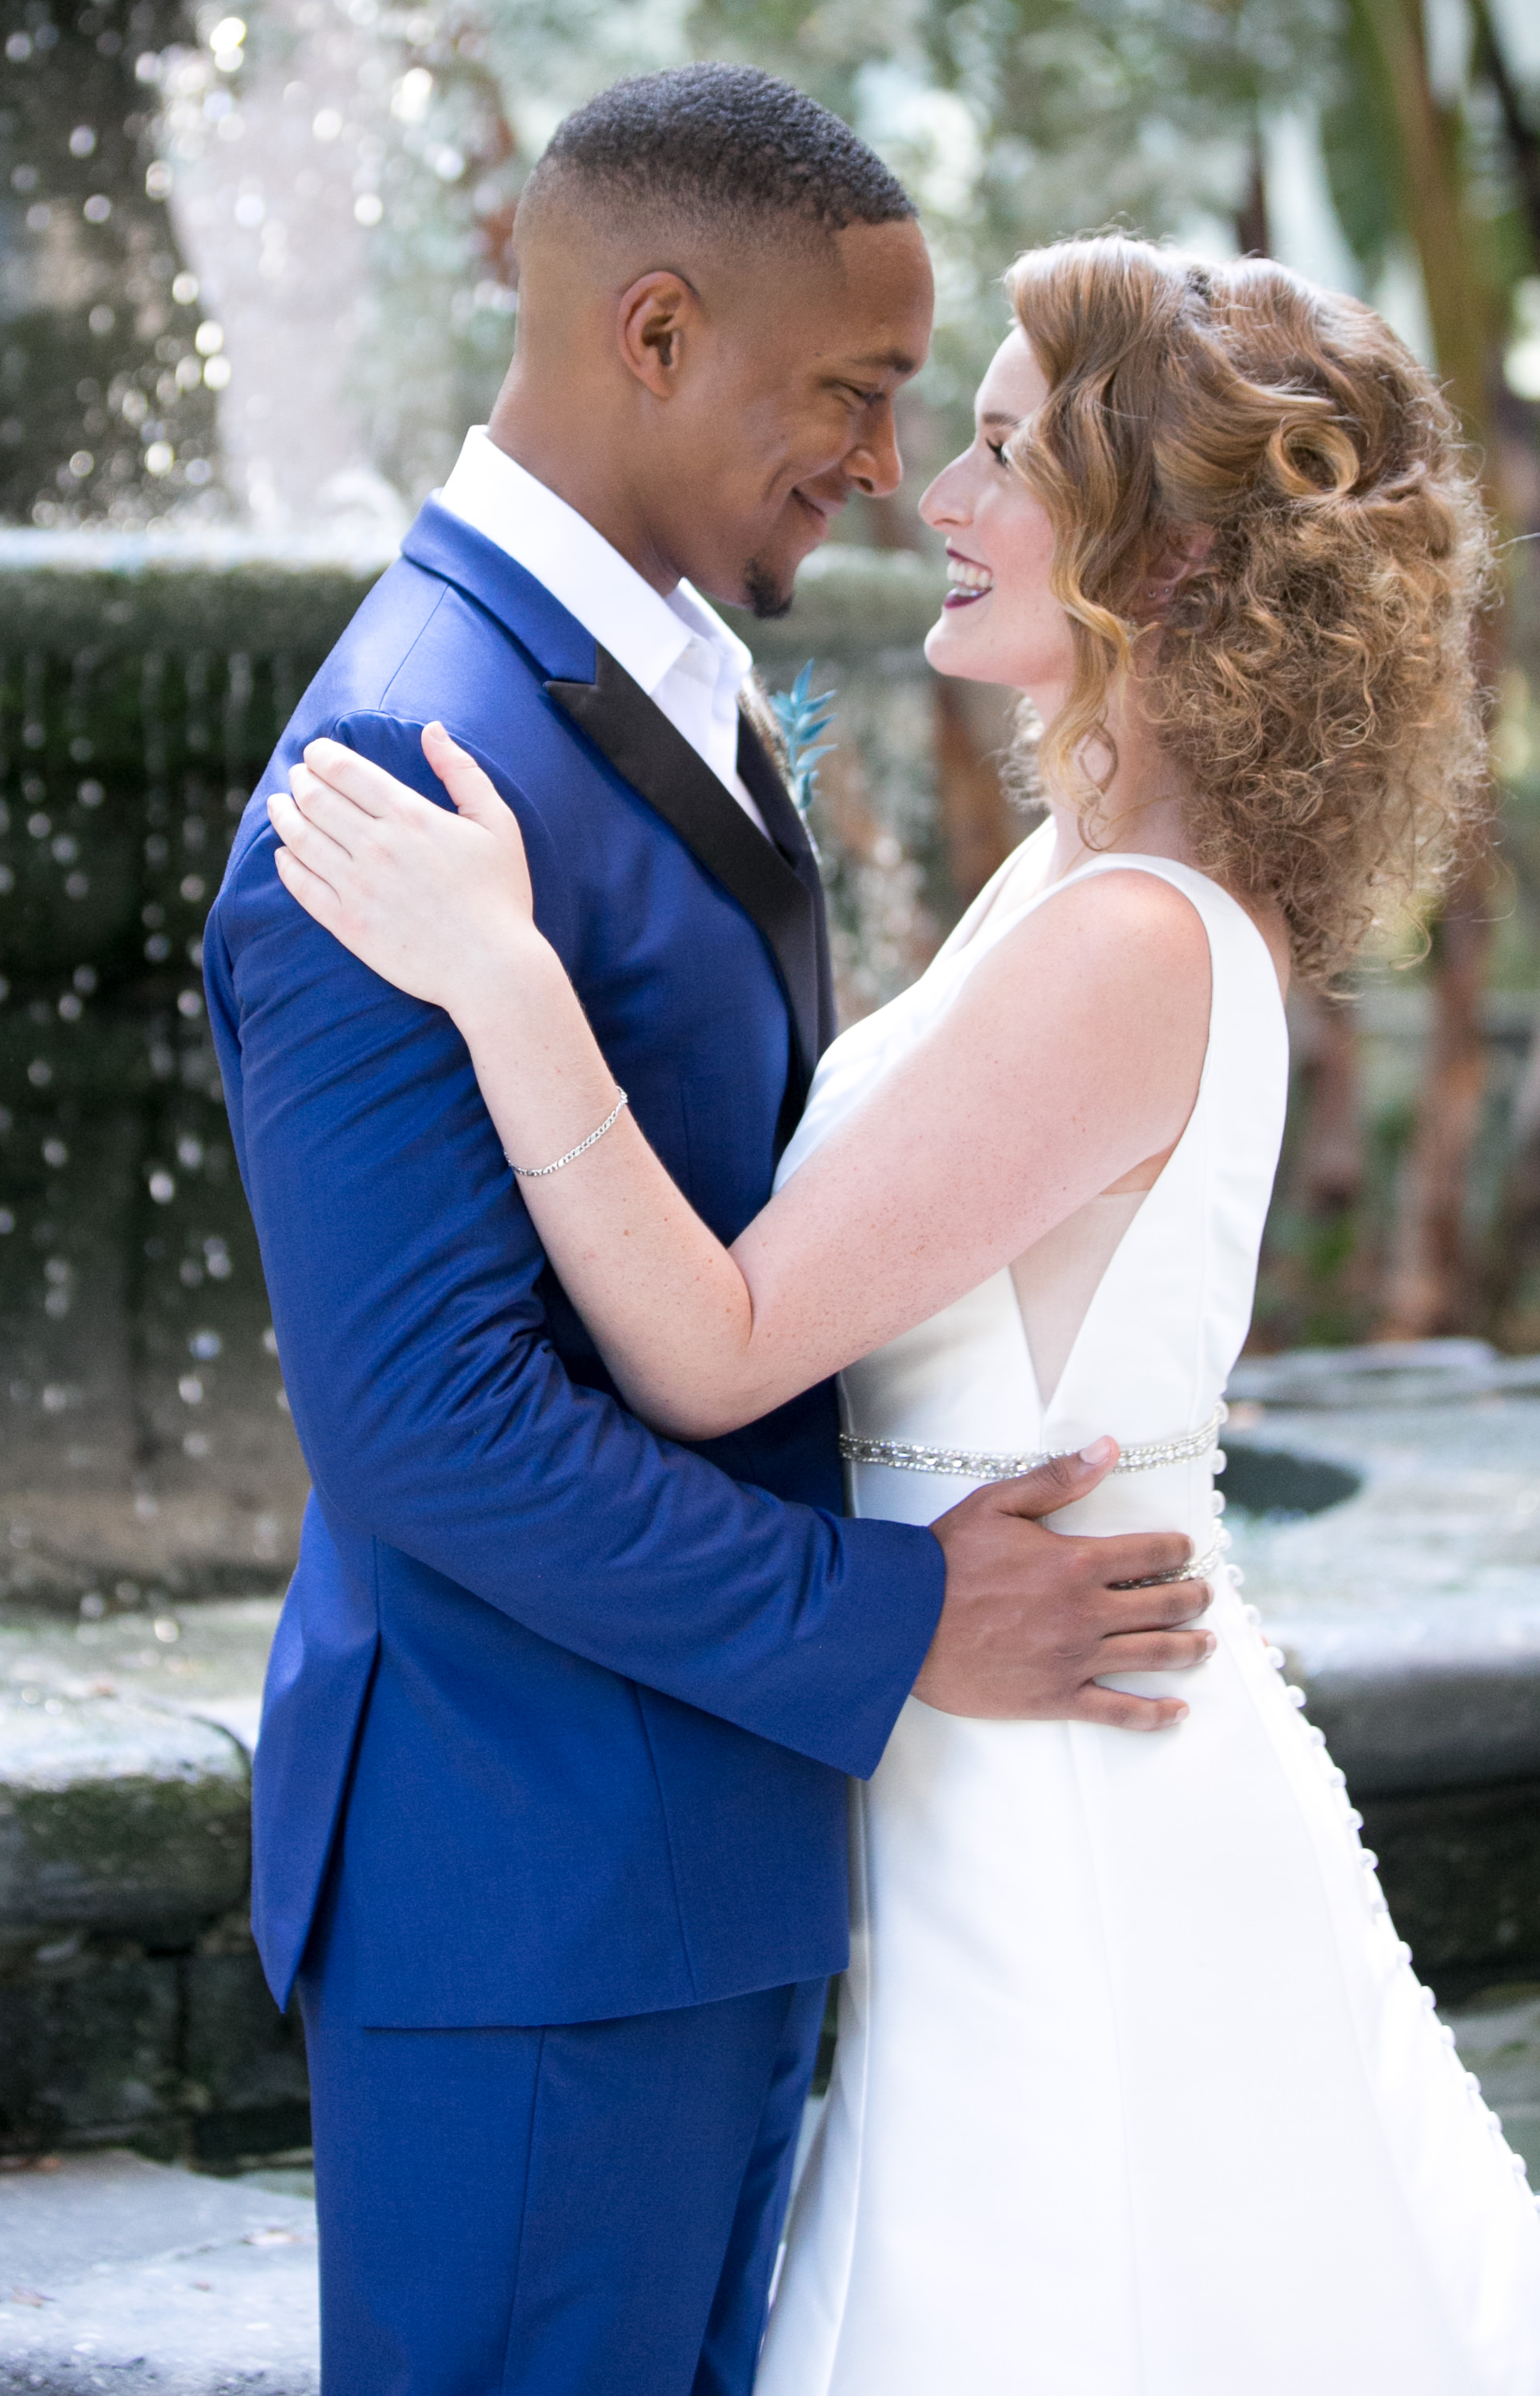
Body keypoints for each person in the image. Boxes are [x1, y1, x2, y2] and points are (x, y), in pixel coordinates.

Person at [269, 231, 1540, 2395]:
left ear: (1183, 556)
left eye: (1006, 455)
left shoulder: (1134, 940)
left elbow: (717, 1343)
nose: (931, 499)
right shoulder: (1075, 887)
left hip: (1067, 1826)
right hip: (982, 1785)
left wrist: (500, 973)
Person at [205, 73, 1222, 2396]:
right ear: (653, 333)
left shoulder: (651, 680)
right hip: (536, 1880)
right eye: (855, 393)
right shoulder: (403, 772)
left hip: (700, 1850)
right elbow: (431, 1433)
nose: (886, 465)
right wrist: (895, 1624)